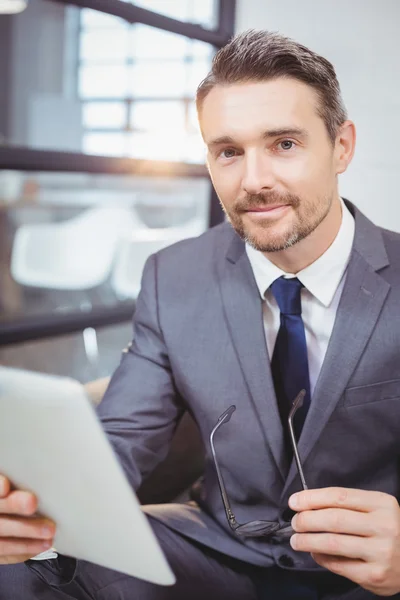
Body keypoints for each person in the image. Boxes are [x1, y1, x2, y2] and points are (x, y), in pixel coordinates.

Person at [1, 29, 400, 600]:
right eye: (229, 151)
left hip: (369, 573)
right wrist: (35, 503)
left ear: (342, 146)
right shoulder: (174, 275)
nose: (255, 180)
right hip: (220, 549)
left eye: (284, 144)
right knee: (17, 567)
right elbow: (121, 436)